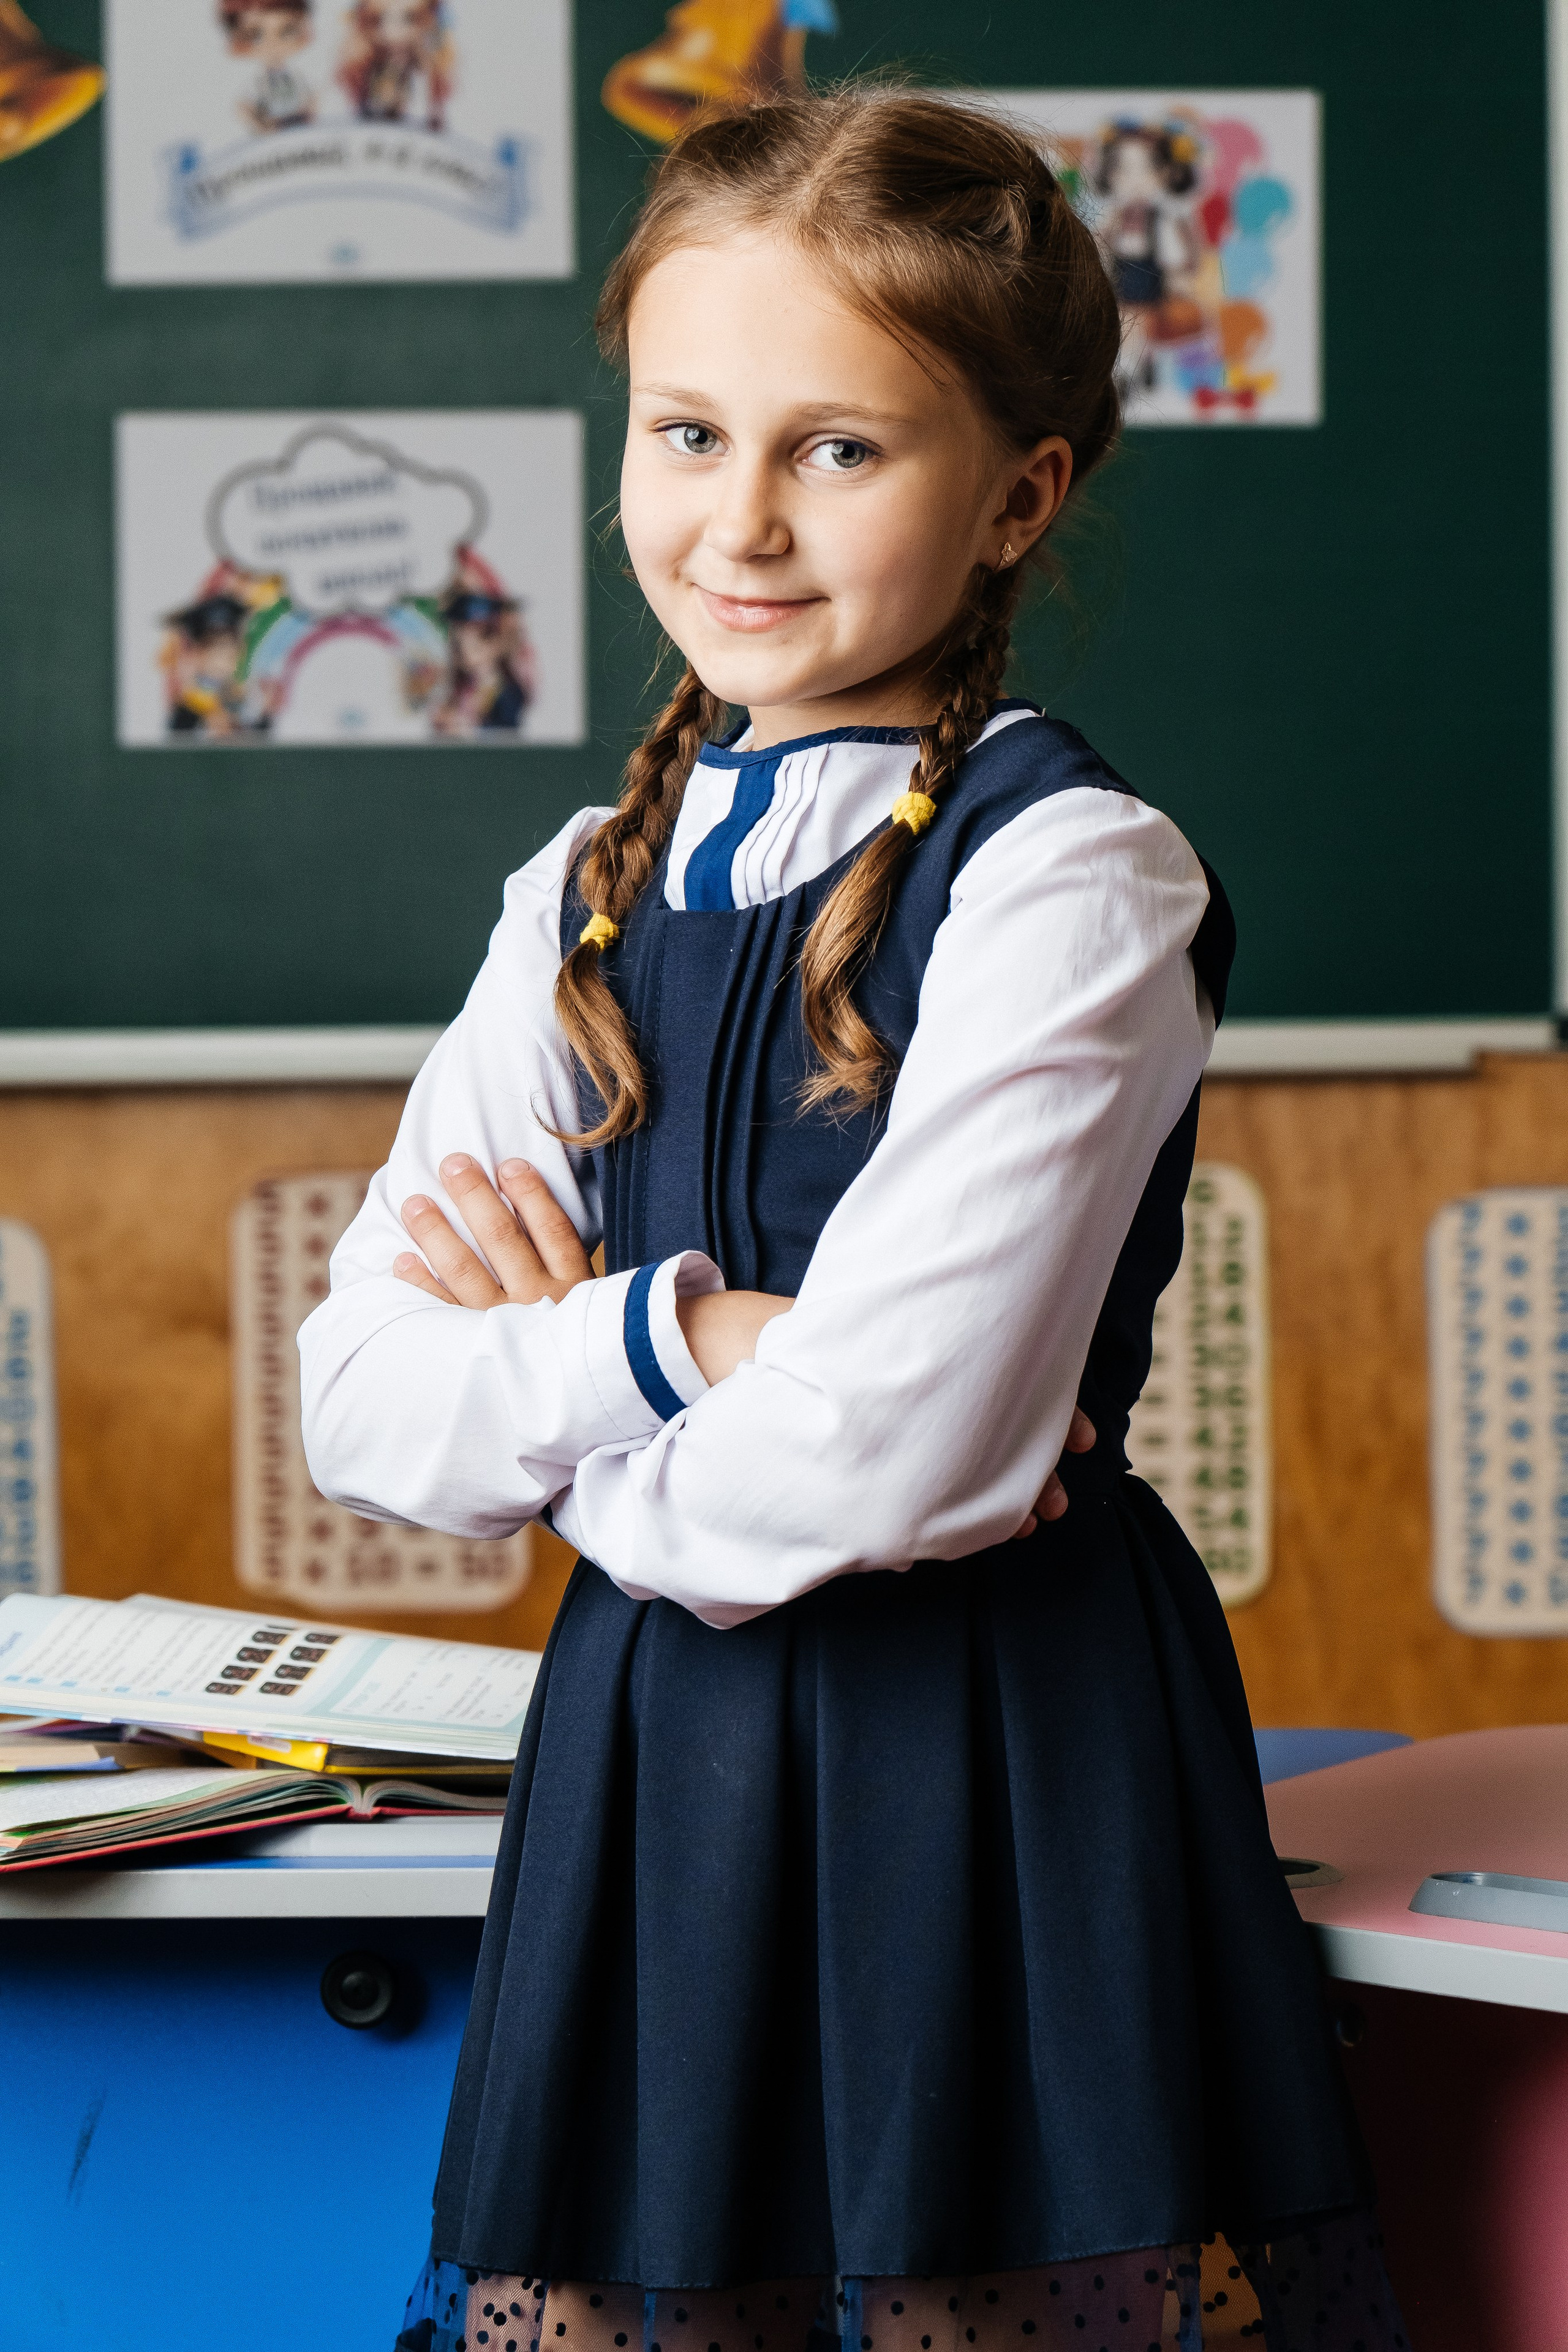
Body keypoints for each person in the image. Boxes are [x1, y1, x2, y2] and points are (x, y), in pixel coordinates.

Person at [298, 86, 1410, 2352]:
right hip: (647, 1781)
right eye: (688, 433)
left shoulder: (1072, 878)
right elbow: (364, 1409)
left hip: (995, 1768)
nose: (741, 524)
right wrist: (691, 1344)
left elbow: (894, 1457)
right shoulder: (576, 889)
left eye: (839, 449)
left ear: (1017, 494)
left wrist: (576, 1414)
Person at [218, 0, 315, 135]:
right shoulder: (255, 80)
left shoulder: (296, 72)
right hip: (273, 127)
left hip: (298, 123)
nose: (273, 45)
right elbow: (242, 107)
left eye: (287, 31)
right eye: (255, 35)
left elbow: (308, 97)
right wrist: (258, 120)